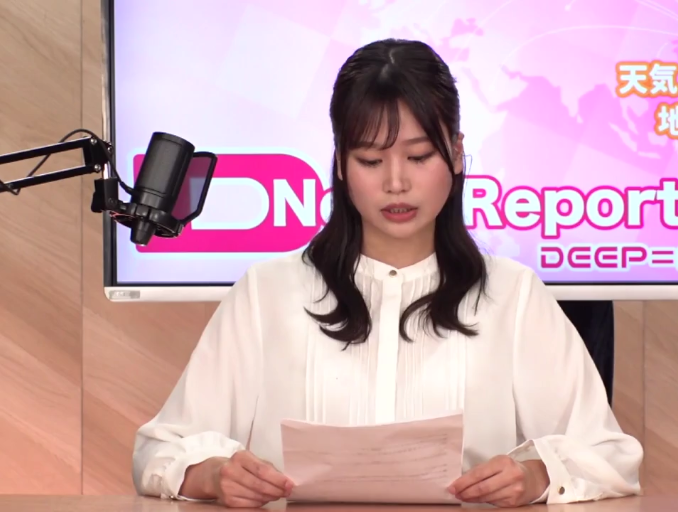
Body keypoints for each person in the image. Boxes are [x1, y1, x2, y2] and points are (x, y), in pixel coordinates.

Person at [132, 38, 643, 509]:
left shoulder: (513, 295)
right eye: (371, 160)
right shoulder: (268, 293)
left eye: (418, 156)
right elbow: (159, 448)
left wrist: (537, 476)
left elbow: (609, 454)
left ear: (457, 153)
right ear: (340, 164)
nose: (396, 183)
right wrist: (211, 474)